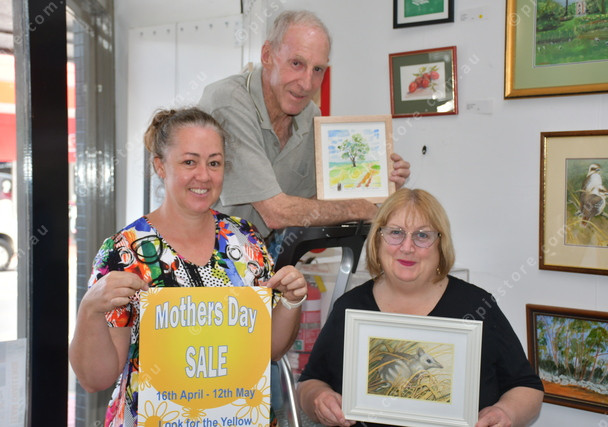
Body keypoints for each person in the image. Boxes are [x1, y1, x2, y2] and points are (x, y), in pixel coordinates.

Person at [69, 107, 309, 427]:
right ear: (160, 166)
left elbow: (267, 352)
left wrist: (291, 301)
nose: (204, 176)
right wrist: (89, 309)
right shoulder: (126, 252)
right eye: (189, 162)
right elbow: (95, 379)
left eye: (214, 163)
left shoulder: (245, 240)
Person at [296, 188, 544, 427]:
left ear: (440, 244)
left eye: (422, 236)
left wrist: (506, 412)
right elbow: (310, 382)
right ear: (378, 240)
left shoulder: (479, 306)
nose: (407, 247)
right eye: (395, 233)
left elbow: (527, 386)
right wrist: (319, 399)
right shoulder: (350, 307)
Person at [198, 10, 411, 241]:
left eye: (318, 69)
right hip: (201, 251)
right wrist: (360, 209)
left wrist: (380, 184)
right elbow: (276, 213)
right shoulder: (228, 102)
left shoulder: (310, 114)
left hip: (255, 253)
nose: (307, 84)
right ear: (267, 55)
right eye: (297, 63)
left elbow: (318, 203)